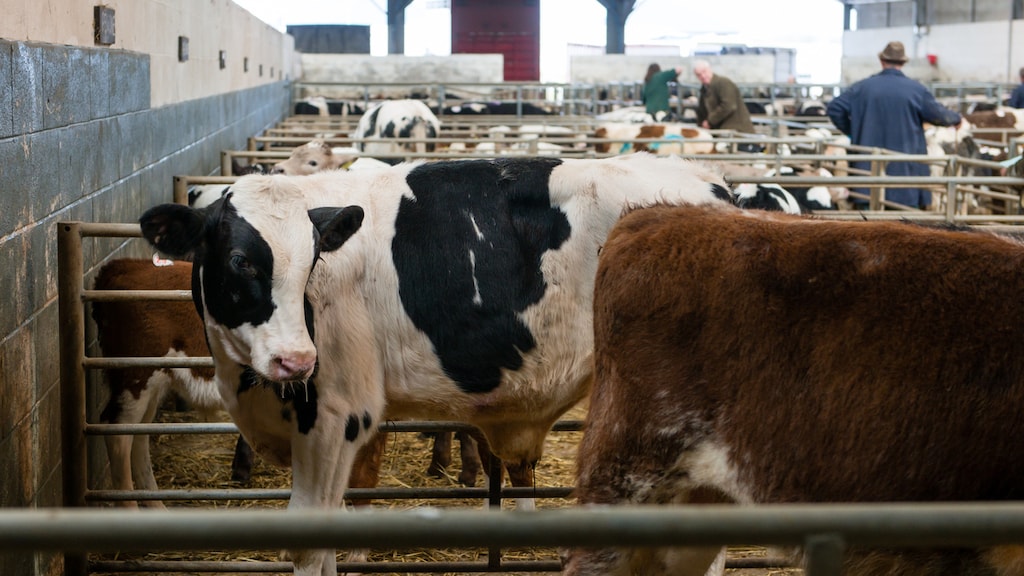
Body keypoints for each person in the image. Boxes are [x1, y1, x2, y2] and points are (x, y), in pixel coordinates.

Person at [827, 41, 962, 210]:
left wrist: (854, 132)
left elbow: (834, 108)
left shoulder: (862, 88)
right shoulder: (916, 90)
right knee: (903, 229)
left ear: (882, 61)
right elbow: (939, 115)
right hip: (906, 181)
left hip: (867, 179)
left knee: (867, 228)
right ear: (903, 63)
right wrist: (956, 119)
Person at [692, 60, 759, 151]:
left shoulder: (723, 83)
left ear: (709, 69)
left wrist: (710, 121)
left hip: (737, 132)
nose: (703, 76)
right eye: (699, 75)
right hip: (723, 134)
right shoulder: (704, 89)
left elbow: (729, 105)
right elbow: (702, 111)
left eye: (704, 72)